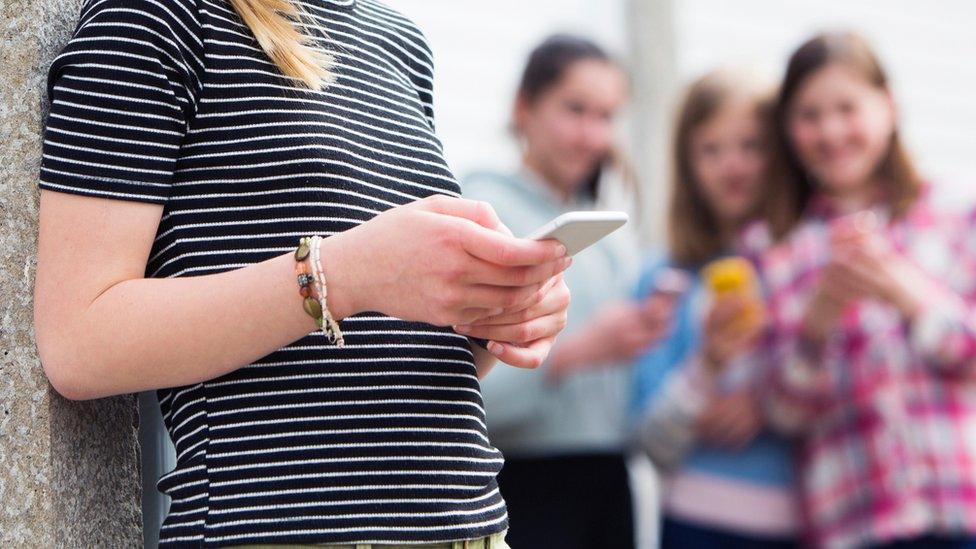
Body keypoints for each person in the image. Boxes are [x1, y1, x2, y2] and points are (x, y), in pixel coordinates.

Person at [33, 0, 573, 546]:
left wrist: (497, 314)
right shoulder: (157, 18)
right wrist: (342, 274)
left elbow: (390, 343)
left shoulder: (399, 42)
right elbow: (79, 340)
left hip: (472, 527)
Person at [755, 32, 976, 549]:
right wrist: (819, 321)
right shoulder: (775, 249)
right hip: (851, 524)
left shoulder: (954, 215)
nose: (831, 131)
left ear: (888, 105)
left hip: (960, 508)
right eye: (810, 115)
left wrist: (905, 291)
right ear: (788, 129)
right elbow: (782, 413)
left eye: (848, 108)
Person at [461, 35, 665, 549]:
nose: (592, 135)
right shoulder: (480, 213)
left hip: (609, 482)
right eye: (575, 110)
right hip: (523, 482)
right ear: (524, 107)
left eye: (606, 116)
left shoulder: (608, 231)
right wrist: (575, 354)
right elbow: (456, 386)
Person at [630, 69, 801, 549]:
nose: (733, 165)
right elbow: (649, 442)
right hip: (693, 521)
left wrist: (765, 404)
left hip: (799, 522)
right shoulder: (665, 277)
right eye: (712, 149)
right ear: (687, 162)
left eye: (752, 146)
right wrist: (708, 365)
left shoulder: (800, 260)